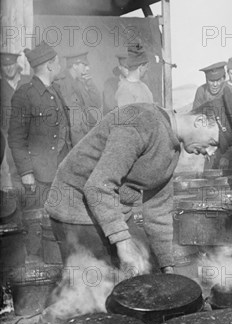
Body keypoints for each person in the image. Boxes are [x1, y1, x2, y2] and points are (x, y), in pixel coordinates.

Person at [45, 103, 221, 274]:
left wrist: (166, 266)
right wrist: (123, 242)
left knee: (147, 272)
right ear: (200, 121)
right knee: (98, 292)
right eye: (212, 142)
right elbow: (98, 186)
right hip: (77, 210)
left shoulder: (173, 148)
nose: (210, 153)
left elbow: (158, 210)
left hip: (111, 210)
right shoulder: (141, 121)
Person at [8, 42, 71, 205]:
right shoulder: (24, 94)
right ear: (50, 66)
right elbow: (16, 139)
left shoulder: (56, 90)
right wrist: (26, 172)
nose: (59, 66)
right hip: (40, 177)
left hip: (62, 171)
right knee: (42, 223)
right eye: (57, 62)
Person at [57, 51, 102, 145]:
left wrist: (90, 84)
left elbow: (96, 103)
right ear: (75, 65)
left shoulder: (80, 82)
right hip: (70, 139)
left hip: (83, 134)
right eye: (84, 65)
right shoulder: (61, 83)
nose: (88, 68)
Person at [1, 51, 22, 189]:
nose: (9, 68)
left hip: (28, 137)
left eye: (11, 64)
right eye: (5, 65)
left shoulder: (27, 81)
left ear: (17, 64)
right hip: (7, 139)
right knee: (10, 175)